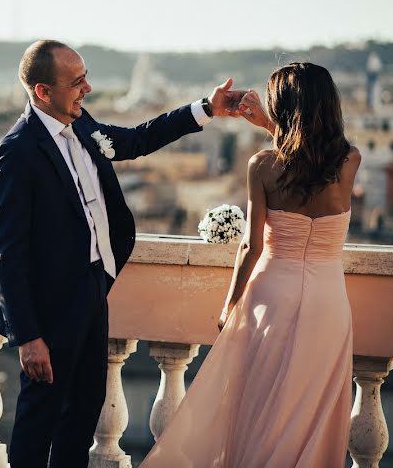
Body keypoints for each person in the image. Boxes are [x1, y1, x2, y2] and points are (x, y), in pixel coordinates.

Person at [0, 40, 246, 467]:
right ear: (42, 92)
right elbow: (4, 252)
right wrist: (28, 337)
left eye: (85, 76)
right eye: (76, 81)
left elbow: (135, 140)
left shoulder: (81, 124)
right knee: (39, 419)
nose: (87, 87)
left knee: (84, 411)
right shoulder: (16, 152)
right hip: (49, 310)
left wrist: (206, 108)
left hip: (92, 289)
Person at [140, 62, 361, 467]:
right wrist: (270, 127)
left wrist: (229, 305)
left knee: (263, 408)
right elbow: (309, 158)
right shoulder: (350, 160)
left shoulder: (261, 166)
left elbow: (251, 247)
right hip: (328, 305)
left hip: (270, 299)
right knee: (309, 411)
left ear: (282, 107)